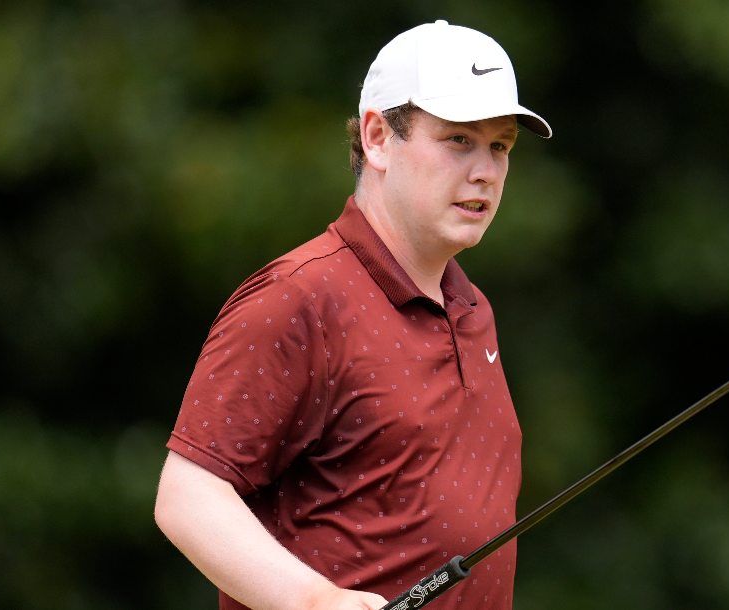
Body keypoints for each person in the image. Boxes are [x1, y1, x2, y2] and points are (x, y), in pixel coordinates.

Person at [154, 19, 551, 610]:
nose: (486, 171)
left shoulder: (471, 309)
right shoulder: (298, 297)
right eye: (458, 140)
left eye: (500, 147)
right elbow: (187, 497)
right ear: (377, 138)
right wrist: (314, 601)